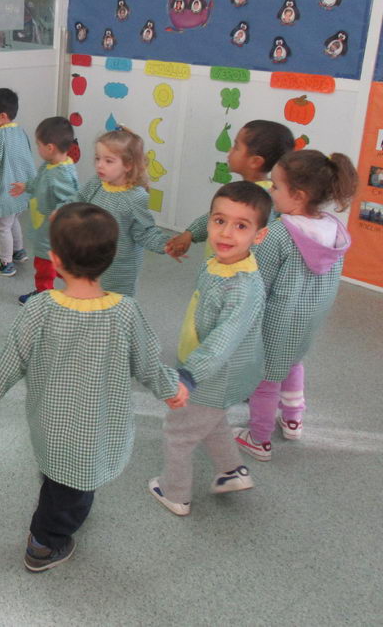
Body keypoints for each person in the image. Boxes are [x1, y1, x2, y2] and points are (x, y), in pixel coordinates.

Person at [0, 204, 187, 572]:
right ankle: (43, 544)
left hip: (50, 423)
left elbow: (11, 360)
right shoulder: (125, 312)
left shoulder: (38, 309)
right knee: (71, 492)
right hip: (95, 430)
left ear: (55, 260)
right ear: (111, 257)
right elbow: (150, 363)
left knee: (59, 472)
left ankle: (53, 481)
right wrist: (171, 389)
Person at [149, 182, 271, 516]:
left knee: (178, 432)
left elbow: (223, 341)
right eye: (219, 221)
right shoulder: (220, 262)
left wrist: (189, 376)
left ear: (258, 236)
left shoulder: (243, 287)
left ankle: (174, 493)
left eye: (241, 226)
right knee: (211, 420)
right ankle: (231, 470)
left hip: (214, 373)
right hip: (211, 369)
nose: (226, 233)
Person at [234, 150, 358, 461]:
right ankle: (293, 419)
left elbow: (257, 282)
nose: (271, 191)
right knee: (292, 363)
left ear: (298, 196)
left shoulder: (279, 234)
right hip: (310, 318)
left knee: (266, 376)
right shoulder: (334, 229)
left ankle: (258, 437)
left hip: (278, 319)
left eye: (276, 187)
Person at [167, 120, 294, 259]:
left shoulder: (265, 199)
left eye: (236, 147)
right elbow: (214, 216)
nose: (230, 151)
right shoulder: (251, 191)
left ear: (255, 161)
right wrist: (190, 234)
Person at [76, 128, 171, 295]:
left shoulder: (135, 198)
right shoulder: (97, 182)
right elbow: (78, 200)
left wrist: (168, 245)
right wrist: (63, 213)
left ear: (128, 165)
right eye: (97, 158)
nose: (99, 164)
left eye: (108, 161)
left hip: (119, 269)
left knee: (114, 306)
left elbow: (145, 232)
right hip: (91, 258)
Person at [9, 116, 79, 303]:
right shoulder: (50, 166)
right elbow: (40, 182)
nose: (37, 149)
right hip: (45, 228)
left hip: (52, 232)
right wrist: (26, 186)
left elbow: (71, 198)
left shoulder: (61, 173)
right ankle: (77, 283)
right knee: (54, 263)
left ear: (50, 148)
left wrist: (60, 210)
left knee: (44, 264)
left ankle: (43, 295)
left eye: (38, 145)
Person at [0, 88, 37, 277]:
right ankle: (19, 251)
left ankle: (5, 262)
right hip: (21, 190)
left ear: (2, 116)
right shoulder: (21, 132)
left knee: (2, 227)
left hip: (5, 191)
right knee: (13, 221)